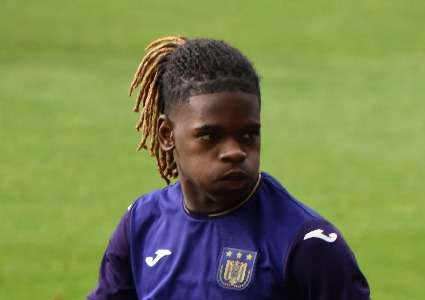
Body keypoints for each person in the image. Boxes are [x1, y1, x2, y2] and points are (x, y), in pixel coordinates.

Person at [87, 36, 370, 299]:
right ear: (166, 135)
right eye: (211, 135)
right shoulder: (142, 223)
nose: (235, 152)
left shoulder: (307, 244)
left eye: (248, 134)